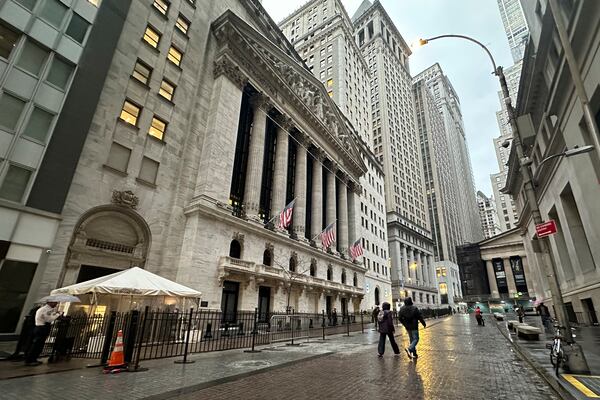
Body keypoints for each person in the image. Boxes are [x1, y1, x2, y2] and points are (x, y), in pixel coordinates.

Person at [25, 301, 61, 366]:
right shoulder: (45, 309)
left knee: (40, 345)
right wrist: (57, 315)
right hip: (41, 327)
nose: (56, 304)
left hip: (41, 327)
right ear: (50, 302)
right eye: (55, 302)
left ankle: (34, 359)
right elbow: (48, 320)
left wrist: (54, 314)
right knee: (37, 344)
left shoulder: (47, 309)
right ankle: (30, 360)